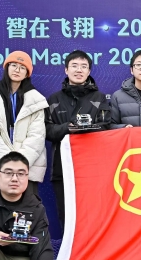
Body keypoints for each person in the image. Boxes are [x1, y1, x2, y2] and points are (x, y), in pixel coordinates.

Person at [45, 50, 112, 230]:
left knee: (93, 218)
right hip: (62, 168)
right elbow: (46, 131)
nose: (79, 70)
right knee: (66, 217)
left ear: (89, 71)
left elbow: (106, 126)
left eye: (83, 66)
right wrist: (67, 128)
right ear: (66, 70)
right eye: (74, 66)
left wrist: (86, 129)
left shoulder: (99, 98)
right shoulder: (54, 99)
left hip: (92, 168)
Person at [0, 51, 47, 195]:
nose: (17, 70)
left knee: (27, 207)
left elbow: (37, 136)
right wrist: (6, 163)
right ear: (6, 68)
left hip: (28, 168)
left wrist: (20, 164)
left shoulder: (37, 101)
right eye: (13, 65)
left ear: (27, 73)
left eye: (22, 67)